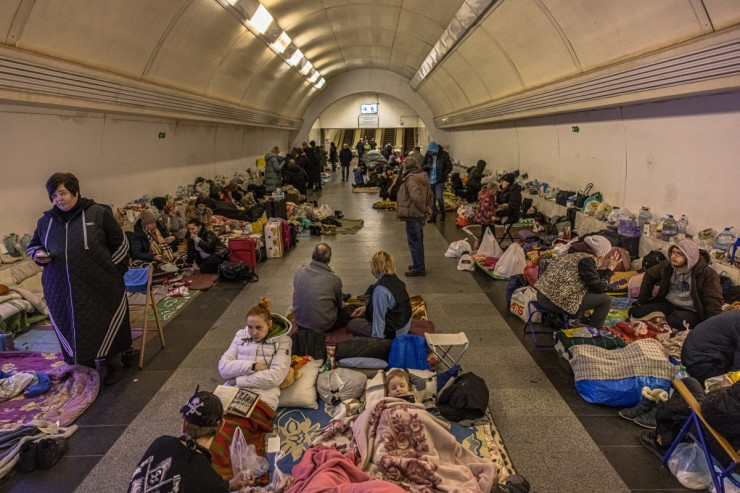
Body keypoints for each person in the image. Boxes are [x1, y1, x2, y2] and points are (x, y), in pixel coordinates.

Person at [28, 172, 131, 385]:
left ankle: (114, 364)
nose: (59, 199)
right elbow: (33, 245)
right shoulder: (46, 221)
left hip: (100, 285)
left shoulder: (98, 213)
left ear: (75, 192)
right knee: (72, 325)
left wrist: (113, 273)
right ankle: (85, 367)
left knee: (104, 321)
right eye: (54, 195)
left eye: (63, 193)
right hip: (60, 287)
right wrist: (38, 253)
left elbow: (120, 244)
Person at [213, 297, 292, 482]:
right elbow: (223, 368)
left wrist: (238, 379)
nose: (253, 332)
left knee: (228, 430)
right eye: (250, 327)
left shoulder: (283, 342)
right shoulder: (240, 335)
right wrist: (252, 366)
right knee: (209, 418)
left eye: (258, 327)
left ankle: (219, 477)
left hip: (261, 399)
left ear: (269, 324)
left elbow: (274, 377)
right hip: (232, 392)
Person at [127, 389, 252, 493]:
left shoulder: (161, 442)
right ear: (221, 426)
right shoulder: (208, 478)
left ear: (184, 424)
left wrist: (228, 485)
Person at [639, 377, 740, 462]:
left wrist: (724, 389)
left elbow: (710, 408)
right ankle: (670, 436)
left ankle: (663, 442)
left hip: (724, 447)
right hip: (728, 438)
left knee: (686, 390)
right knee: (690, 383)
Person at [629, 239, 722, 330]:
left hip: (692, 310)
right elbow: (649, 275)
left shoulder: (707, 274)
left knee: (676, 319)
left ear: (690, 257)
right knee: (634, 312)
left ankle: (665, 320)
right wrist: (642, 301)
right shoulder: (667, 266)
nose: (674, 256)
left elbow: (712, 301)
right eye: (673, 252)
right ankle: (663, 320)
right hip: (670, 303)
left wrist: (712, 327)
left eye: (679, 254)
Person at [534, 235, 622, 329]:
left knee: (584, 289)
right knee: (605, 300)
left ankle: (574, 321)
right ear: (600, 253)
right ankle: (594, 332)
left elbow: (587, 279)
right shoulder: (586, 260)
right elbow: (598, 288)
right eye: (605, 253)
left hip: (542, 295)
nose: (605, 256)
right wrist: (610, 269)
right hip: (553, 302)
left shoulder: (572, 253)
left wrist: (605, 280)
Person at [347, 251, 412, 339]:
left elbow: (379, 320)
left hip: (393, 331)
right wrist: (366, 308)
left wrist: (377, 341)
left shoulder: (380, 289)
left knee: (352, 324)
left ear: (375, 267)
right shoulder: (397, 281)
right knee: (363, 316)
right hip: (403, 325)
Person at [390, 153, 434, 277]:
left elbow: (416, 197)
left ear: (405, 166)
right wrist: (428, 207)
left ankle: (419, 268)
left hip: (413, 214)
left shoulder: (411, 179)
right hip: (418, 214)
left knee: (414, 242)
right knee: (418, 241)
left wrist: (424, 209)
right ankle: (417, 264)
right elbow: (430, 194)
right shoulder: (422, 175)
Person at [292, 244, 353, 332]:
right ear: (329, 260)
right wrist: (345, 304)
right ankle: (342, 297)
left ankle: (340, 296)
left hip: (300, 322)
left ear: (313, 256)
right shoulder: (334, 280)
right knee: (351, 309)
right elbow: (340, 306)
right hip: (324, 326)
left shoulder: (299, 271)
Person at [422, 141, 452, 222]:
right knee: (432, 199)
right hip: (430, 180)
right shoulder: (428, 155)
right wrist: (426, 166)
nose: (432, 153)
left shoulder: (444, 154)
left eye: (433, 152)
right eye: (430, 152)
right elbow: (423, 165)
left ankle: (443, 213)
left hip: (439, 180)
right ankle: (433, 216)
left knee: (439, 197)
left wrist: (443, 175)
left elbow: (449, 167)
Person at [474, 182, 498, 246]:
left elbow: (491, 204)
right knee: (489, 233)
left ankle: (482, 245)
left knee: (484, 233)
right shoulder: (486, 198)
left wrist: (496, 206)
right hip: (485, 219)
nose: (496, 192)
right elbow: (484, 210)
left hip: (485, 218)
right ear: (491, 190)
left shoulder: (489, 196)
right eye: (495, 191)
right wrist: (491, 216)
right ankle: (489, 246)